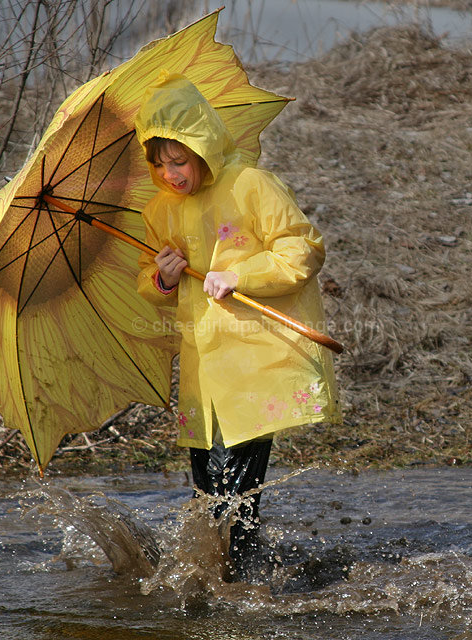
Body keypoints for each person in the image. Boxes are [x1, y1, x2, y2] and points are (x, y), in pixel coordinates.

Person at [135, 70, 341, 576]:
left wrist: (240, 273)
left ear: (202, 147)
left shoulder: (251, 184)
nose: (171, 174)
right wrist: (163, 279)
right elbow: (151, 284)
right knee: (207, 486)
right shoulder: (161, 210)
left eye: (179, 160)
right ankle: (220, 574)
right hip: (204, 366)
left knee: (240, 487)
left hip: (257, 355)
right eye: (159, 165)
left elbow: (302, 249)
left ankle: (243, 581)